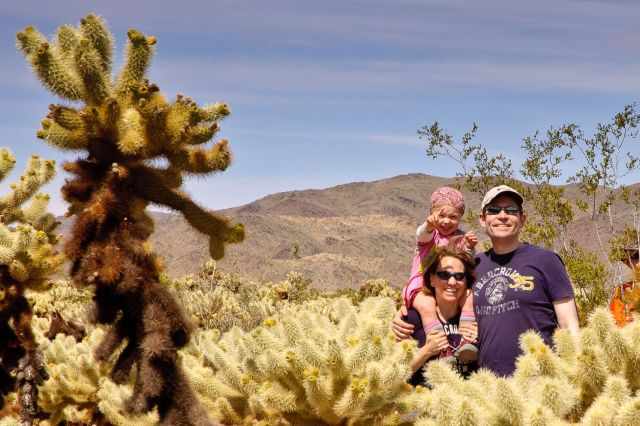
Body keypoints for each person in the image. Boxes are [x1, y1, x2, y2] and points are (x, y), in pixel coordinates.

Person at [394, 184, 580, 377]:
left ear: (522, 218)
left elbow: (569, 324)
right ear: (483, 220)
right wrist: (403, 315)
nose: (502, 215)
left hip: (540, 382)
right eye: (493, 210)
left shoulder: (545, 260)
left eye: (511, 210)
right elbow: (442, 297)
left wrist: (576, 372)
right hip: (486, 389)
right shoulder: (472, 266)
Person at [402, 186, 478, 362]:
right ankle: (440, 347)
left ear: (460, 218)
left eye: (453, 217)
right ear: (432, 214)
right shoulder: (430, 235)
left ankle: (466, 339)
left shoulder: (461, 237)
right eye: (441, 215)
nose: (446, 221)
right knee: (427, 304)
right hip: (421, 285)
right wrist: (429, 225)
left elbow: (465, 261)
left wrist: (469, 246)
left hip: (447, 286)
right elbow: (421, 234)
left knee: (468, 295)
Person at [407, 247, 478, 386]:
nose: (452, 282)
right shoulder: (412, 320)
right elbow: (394, 373)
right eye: (444, 275)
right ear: (432, 279)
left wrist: (481, 340)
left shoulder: (477, 318)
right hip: (422, 403)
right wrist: (426, 351)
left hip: (463, 403)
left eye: (459, 276)